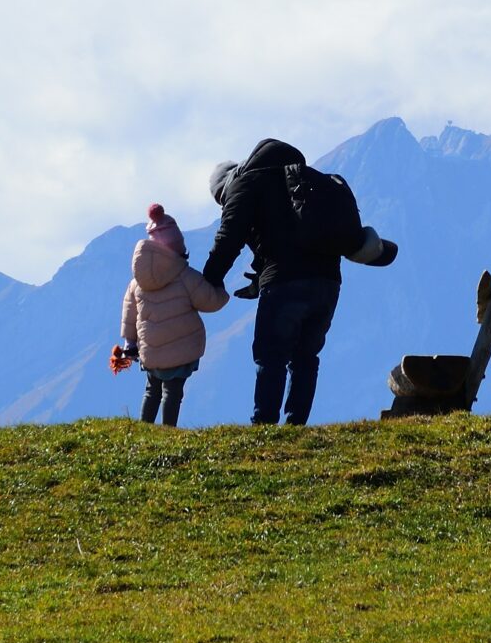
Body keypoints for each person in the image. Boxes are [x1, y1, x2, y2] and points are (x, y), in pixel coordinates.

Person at [200, 138, 397, 426]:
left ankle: (264, 425)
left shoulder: (245, 184)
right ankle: (295, 425)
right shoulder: (300, 179)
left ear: (222, 187)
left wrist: (209, 280)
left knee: (271, 354)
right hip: (328, 281)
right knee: (306, 356)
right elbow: (289, 230)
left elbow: (229, 238)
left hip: (284, 281)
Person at [118, 203, 229, 427]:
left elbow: (129, 313)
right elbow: (210, 301)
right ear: (177, 246)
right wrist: (220, 290)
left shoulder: (136, 284)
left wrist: (129, 342)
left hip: (151, 348)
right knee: (173, 392)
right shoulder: (186, 277)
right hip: (180, 348)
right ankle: (169, 430)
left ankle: (144, 429)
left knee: (152, 390)